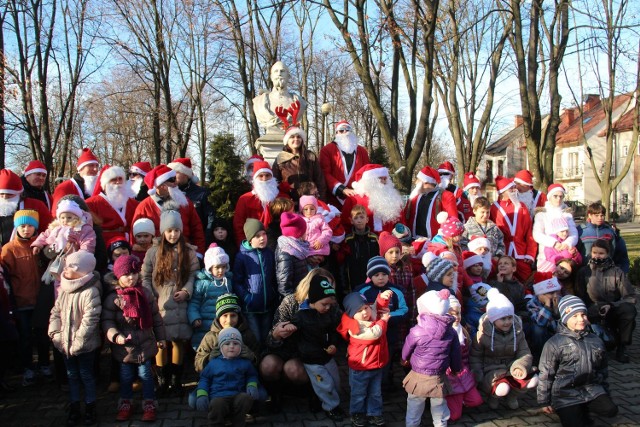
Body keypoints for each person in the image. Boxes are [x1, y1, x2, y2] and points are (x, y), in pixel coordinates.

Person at [259, 269, 337, 413]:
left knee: (294, 369)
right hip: (285, 349)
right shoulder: (290, 302)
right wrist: (276, 335)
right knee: (268, 365)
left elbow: (338, 327)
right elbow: (271, 339)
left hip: (310, 354)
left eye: (330, 285)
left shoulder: (330, 304)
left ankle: (314, 394)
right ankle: (276, 396)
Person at [141, 209, 199, 395]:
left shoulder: (188, 252)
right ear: (163, 232)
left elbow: (193, 274)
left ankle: (176, 379)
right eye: (169, 231)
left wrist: (186, 291)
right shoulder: (152, 252)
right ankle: (161, 379)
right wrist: (151, 296)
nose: (173, 234)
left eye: (176, 230)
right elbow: (145, 276)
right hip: (160, 303)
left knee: (178, 340)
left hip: (180, 302)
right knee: (161, 341)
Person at [102, 255, 166, 422]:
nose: (131, 277)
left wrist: (161, 337)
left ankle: (149, 403)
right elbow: (107, 321)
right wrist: (116, 336)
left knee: (146, 376)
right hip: (125, 347)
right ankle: (126, 404)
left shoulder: (145, 293)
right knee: (125, 377)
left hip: (145, 344)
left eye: (134, 273)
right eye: (126, 274)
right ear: (118, 276)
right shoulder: (114, 298)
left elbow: (155, 317)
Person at [537, 295, 619, 426]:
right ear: (565, 318)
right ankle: (571, 410)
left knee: (610, 410)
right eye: (574, 316)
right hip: (564, 393)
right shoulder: (554, 343)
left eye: (583, 315)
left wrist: (605, 393)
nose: (581, 319)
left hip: (591, 388)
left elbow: (603, 370)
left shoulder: (596, 340)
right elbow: (546, 374)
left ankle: (584, 407)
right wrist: (544, 401)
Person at [48, 251, 102, 426]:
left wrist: (78, 342)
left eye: (71, 266)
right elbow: (55, 313)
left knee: (86, 375)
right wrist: (55, 335)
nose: (66, 268)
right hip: (64, 343)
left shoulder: (90, 291)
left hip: (84, 345)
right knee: (71, 376)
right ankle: (74, 406)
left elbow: (90, 319)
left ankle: (90, 406)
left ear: (83, 271)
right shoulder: (64, 289)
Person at [1, 210, 50, 386]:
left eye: (30, 226)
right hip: (21, 301)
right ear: (16, 227)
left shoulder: (41, 246)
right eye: (22, 226)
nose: (26, 229)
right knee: (25, 337)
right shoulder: (9, 249)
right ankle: (28, 368)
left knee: (43, 335)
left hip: (40, 300)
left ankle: (45, 364)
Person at [401, 289, 461, 427]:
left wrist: (404, 358)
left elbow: (407, 346)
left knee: (414, 405)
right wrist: (456, 368)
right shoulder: (450, 331)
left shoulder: (417, 330)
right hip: (438, 377)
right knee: (439, 407)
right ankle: (440, 425)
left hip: (418, 376)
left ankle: (412, 424)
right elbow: (455, 353)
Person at [470, 288, 537, 410]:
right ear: (493, 319)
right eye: (503, 319)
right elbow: (476, 355)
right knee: (502, 389)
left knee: (533, 380)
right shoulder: (483, 334)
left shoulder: (518, 331)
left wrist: (520, 365)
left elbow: (524, 352)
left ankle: (513, 396)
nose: (507, 322)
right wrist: (477, 372)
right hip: (492, 370)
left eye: (510, 318)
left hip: (512, 366)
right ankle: (494, 396)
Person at [291, 274, 345, 421]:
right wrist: (288, 329)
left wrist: (333, 344)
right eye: (324, 304)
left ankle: (328, 400)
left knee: (335, 380)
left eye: (329, 305)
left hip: (327, 356)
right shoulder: (301, 316)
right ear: (313, 301)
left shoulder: (328, 314)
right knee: (324, 383)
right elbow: (293, 335)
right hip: (311, 358)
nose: (327, 308)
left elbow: (334, 331)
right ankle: (331, 407)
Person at [575, 239, 637, 363]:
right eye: (594, 252)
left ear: (608, 254)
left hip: (613, 308)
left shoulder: (617, 272)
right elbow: (579, 297)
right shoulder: (583, 272)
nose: (597, 256)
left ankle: (622, 346)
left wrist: (612, 305)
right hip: (592, 310)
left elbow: (630, 296)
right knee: (608, 344)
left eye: (601, 253)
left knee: (629, 310)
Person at [337, 291, 391, 427]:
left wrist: (382, 298)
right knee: (358, 393)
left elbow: (376, 307)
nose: (365, 312)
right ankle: (357, 413)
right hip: (361, 367)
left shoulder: (369, 315)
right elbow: (374, 334)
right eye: (359, 311)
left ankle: (374, 413)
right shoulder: (355, 327)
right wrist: (383, 320)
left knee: (375, 393)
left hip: (376, 365)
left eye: (365, 308)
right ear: (351, 314)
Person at [132, 164, 206, 255]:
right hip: (156, 256)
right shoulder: (144, 206)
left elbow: (197, 229)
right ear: (160, 185)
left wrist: (199, 254)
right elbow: (134, 234)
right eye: (171, 180)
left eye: (175, 178)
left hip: (184, 254)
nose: (175, 183)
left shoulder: (185, 202)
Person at [193, 327, 259, 427]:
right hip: (218, 396)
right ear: (220, 347)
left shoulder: (245, 362)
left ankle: (238, 422)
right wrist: (202, 394)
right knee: (217, 404)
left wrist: (252, 385)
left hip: (237, 394)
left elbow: (252, 375)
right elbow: (204, 379)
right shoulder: (213, 363)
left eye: (236, 344)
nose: (231, 346)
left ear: (241, 346)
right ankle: (216, 423)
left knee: (245, 398)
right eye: (227, 344)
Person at [32, 198, 97, 288]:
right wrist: (37, 245)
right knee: (55, 283)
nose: (65, 220)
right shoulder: (56, 228)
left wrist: (79, 258)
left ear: (77, 217)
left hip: (74, 263)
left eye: (69, 217)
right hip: (56, 260)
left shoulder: (82, 229)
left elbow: (88, 243)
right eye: (62, 218)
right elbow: (44, 235)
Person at [194, 293, 260, 373]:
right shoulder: (210, 337)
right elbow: (197, 365)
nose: (229, 320)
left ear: (238, 316)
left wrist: (252, 357)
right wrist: (208, 359)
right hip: (217, 381)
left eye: (233, 315)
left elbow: (259, 358)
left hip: (240, 380)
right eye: (225, 315)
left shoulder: (247, 335)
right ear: (218, 317)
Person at [489, 175, 537, 282]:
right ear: (503, 191)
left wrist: (530, 254)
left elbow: (529, 232)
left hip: (521, 253)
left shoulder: (521, 206)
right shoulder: (493, 208)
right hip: (504, 253)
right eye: (511, 188)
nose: (515, 190)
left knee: (527, 282)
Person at [188, 244, 233, 350]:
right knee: (203, 347)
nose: (221, 271)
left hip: (223, 324)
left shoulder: (228, 282)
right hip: (204, 324)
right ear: (210, 268)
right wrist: (194, 317)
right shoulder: (203, 283)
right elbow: (194, 302)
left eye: (223, 267)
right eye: (217, 267)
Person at [233, 161, 290, 245]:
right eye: (261, 176)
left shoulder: (283, 197)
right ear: (255, 178)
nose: (264, 179)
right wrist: (244, 245)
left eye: (267, 175)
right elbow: (238, 225)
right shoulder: (244, 199)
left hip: (280, 243)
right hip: (254, 244)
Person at [445, 297, 483, 422]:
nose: (456, 317)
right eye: (452, 314)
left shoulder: (464, 332)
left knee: (476, 401)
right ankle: (447, 402)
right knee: (454, 416)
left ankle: (461, 399)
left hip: (464, 373)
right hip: (449, 376)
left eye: (458, 313)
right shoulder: (443, 334)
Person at [341, 164, 405, 234]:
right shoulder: (353, 199)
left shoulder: (393, 198)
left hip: (389, 242)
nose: (384, 182)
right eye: (380, 178)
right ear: (370, 181)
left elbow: (401, 223)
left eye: (385, 178)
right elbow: (345, 224)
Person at [319, 120, 371, 207]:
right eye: (341, 130)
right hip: (334, 198)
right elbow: (325, 173)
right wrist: (341, 189)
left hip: (357, 197)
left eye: (348, 130)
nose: (345, 133)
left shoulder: (362, 151)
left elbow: (366, 173)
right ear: (336, 133)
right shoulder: (327, 150)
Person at [85, 166, 139, 246]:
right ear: (105, 184)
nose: (118, 182)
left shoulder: (133, 204)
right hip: (104, 244)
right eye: (113, 179)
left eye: (120, 179)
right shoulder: (91, 204)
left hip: (129, 244)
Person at [168, 157, 215, 246]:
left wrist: (206, 240)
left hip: (195, 242)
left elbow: (210, 219)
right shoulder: (168, 193)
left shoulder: (202, 193)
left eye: (176, 172)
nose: (173, 176)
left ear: (186, 174)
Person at [532, 183, 579, 273]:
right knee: (546, 282)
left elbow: (573, 232)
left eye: (561, 196)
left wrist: (568, 243)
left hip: (565, 256)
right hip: (546, 256)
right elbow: (537, 234)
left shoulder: (567, 214)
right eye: (555, 196)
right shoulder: (542, 214)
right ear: (549, 197)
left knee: (564, 284)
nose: (558, 199)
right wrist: (553, 243)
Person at [272, 126, 326, 203]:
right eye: (292, 137)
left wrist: (321, 202)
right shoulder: (281, 158)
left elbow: (320, 180)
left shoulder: (310, 156)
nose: (296, 139)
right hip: (288, 202)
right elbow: (275, 182)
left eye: (298, 137)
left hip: (309, 201)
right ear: (287, 140)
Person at [0, 169, 52, 245]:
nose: (5, 197)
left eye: (10, 194)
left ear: (18, 193)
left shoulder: (36, 205)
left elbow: (49, 231)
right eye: (2, 194)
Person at [252, 61, 307, 133]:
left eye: (282, 71)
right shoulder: (259, 102)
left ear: (288, 76)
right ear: (271, 77)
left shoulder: (299, 102)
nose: (279, 74)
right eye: (276, 71)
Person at [406, 166, 458, 239]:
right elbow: (405, 217)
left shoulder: (446, 196)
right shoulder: (414, 196)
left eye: (418, 180)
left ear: (426, 182)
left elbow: (453, 221)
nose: (415, 182)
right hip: (413, 240)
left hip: (436, 242)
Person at [337, 204, 379, 294]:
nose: (359, 220)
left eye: (362, 217)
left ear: (367, 219)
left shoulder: (374, 239)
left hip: (370, 277)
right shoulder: (348, 240)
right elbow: (343, 263)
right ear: (351, 221)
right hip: (353, 279)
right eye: (356, 218)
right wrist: (345, 286)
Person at [578, 202, 630, 273]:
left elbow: (617, 252)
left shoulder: (610, 231)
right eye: (596, 215)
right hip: (586, 271)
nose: (600, 218)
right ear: (590, 215)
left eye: (602, 215)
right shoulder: (581, 231)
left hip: (607, 271)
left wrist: (623, 271)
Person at [525, 272, 561, 363]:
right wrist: (547, 306)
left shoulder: (559, 300)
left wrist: (557, 312)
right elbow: (540, 322)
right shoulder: (532, 303)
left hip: (558, 334)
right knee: (538, 329)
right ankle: (540, 359)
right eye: (550, 293)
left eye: (555, 292)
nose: (554, 296)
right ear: (540, 294)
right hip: (543, 337)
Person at [51, 148, 100, 215]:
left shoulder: (99, 187)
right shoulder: (64, 187)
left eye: (97, 166)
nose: (95, 169)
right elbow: (56, 214)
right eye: (91, 165)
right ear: (81, 168)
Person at [275, 213, 309, 298]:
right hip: (294, 299)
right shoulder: (286, 252)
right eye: (305, 230)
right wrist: (292, 302)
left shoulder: (298, 248)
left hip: (301, 294)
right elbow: (284, 284)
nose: (307, 233)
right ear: (299, 233)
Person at [489, 255, 528, 319]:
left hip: (514, 317)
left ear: (514, 268)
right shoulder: (492, 283)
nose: (502, 265)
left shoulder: (519, 286)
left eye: (506, 263)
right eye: (499, 264)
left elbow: (521, 307)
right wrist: (499, 283)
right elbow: (498, 301)